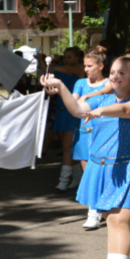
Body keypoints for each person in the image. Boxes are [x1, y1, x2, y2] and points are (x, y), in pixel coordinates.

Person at [41, 56, 130, 259]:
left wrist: (101, 110)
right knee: (114, 220)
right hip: (101, 169)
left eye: (121, 73)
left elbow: (124, 110)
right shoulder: (100, 98)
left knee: (117, 221)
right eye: (112, 72)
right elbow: (76, 109)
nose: (114, 76)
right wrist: (60, 86)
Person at [36, 47, 85, 190]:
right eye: (65, 57)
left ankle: (63, 180)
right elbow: (47, 70)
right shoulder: (60, 69)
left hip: (74, 110)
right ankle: (77, 177)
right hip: (61, 111)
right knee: (69, 147)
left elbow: (67, 70)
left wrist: (55, 67)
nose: (66, 59)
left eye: (69, 57)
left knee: (67, 147)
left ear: (77, 58)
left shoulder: (80, 69)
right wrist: (41, 60)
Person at [71, 51, 109, 229]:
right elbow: (73, 104)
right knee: (89, 175)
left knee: (103, 173)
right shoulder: (80, 83)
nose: (85, 69)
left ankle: (104, 208)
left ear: (101, 66)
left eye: (89, 66)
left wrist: (90, 96)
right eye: (84, 66)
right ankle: (94, 212)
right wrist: (59, 92)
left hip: (103, 135)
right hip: (83, 134)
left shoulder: (109, 83)